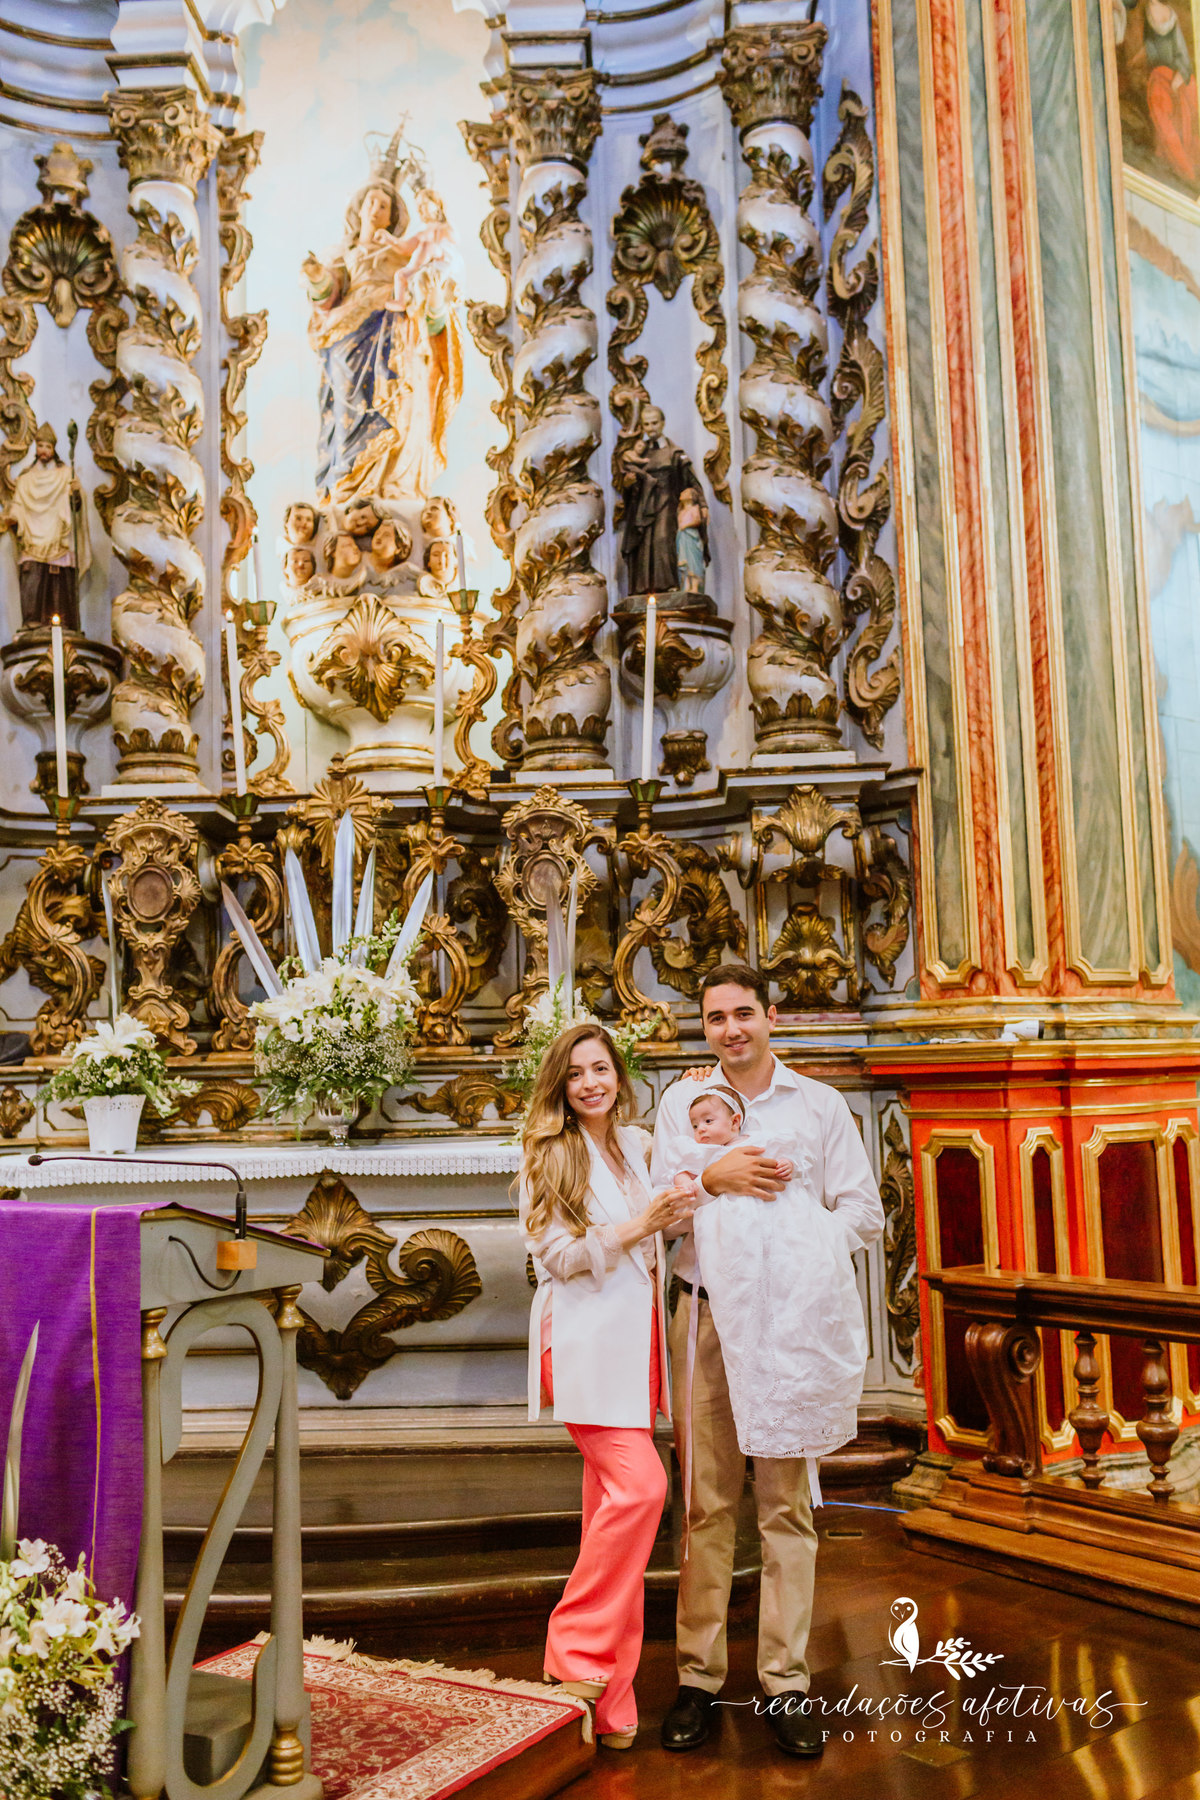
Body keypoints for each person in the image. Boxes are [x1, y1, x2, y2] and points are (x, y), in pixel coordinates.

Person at [650, 963, 883, 1759]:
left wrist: (800, 1244)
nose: (731, 1030)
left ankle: (785, 1680)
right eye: (716, 1019)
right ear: (705, 1028)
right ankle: (698, 1677)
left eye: (744, 1013)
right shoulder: (682, 1103)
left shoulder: (818, 1106)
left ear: (772, 1016)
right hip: (709, 1321)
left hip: (786, 1327)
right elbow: (658, 1209)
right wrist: (710, 1178)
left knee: (786, 1506)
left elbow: (862, 1212)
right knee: (707, 1504)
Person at [520, 1023, 694, 1748]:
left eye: (601, 1069)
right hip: (585, 1344)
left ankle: (614, 1705)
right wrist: (636, 1226)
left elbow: (671, 1216)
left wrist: (690, 1129)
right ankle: (577, 1648)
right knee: (642, 1490)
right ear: (559, 1085)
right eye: (576, 1073)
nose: (590, 1082)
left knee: (608, 1517)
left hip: (637, 1346)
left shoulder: (640, 1145)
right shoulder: (546, 1154)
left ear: (618, 1076)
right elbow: (556, 1257)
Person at [302, 171, 464, 506]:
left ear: (393, 218)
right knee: (348, 404)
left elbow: (431, 290)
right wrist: (317, 276)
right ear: (359, 209)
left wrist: (433, 301)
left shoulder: (409, 251)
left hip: (396, 328)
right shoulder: (343, 254)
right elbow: (328, 293)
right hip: (347, 336)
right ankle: (348, 484)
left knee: (402, 401)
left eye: (384, 206)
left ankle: (395, 486)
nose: (376, 209)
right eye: (372, 202)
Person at [2, 422, 89, 630]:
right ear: (36, 448)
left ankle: (64, 624)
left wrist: (76, 494)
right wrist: (11, 517)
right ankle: (32, 624)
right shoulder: (25, 479)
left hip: (58, 538)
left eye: (47, 447)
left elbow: (75, 507)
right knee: (33, 579)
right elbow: (18, 506)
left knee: (59, 584)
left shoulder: (66, 475)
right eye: (40, 446)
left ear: (54, 450)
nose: (43, 451)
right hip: (32, 539)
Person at [619, 405, 704, 597]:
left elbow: (692, 482)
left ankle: (669, 585)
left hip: (667, 503)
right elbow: (630, 487)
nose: (651, 428)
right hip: (644, 505)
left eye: (654, 423)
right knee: (644, 545)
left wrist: (702, 506)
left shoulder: (675, 453)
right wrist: (628, 484)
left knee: (663, 540)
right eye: (646, 424)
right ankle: (644, 588)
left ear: (663, 423)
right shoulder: (639, 454)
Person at [675, 486, 709, 594]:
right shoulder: (680, 510)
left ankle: (695, 587)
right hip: (682, 537)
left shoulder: (694, 508)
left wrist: (685, 526)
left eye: (684, 492)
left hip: (691, 536)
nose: (681, 494)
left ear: (690, 496)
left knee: (693, 562)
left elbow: (697, 520)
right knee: (684, 562)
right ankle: (686, 586)